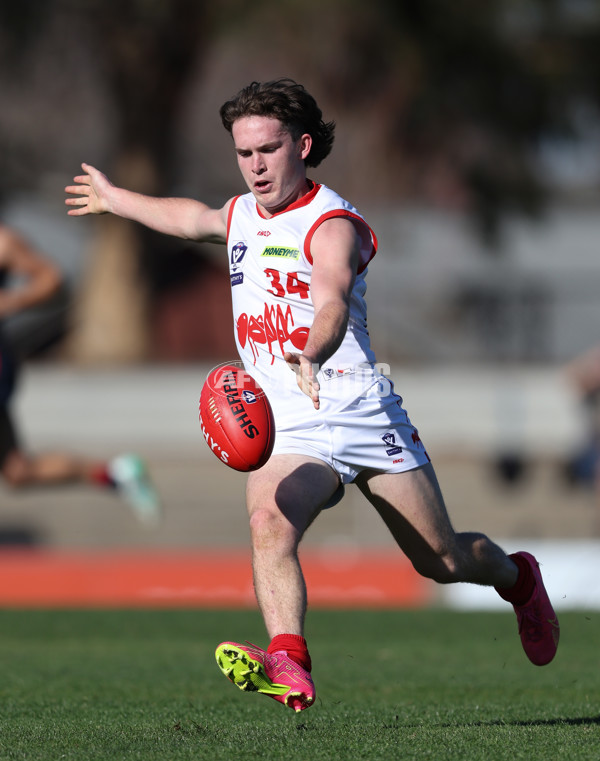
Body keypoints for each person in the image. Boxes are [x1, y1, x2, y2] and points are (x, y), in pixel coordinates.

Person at [65, 78, 559, 712]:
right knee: (269, 523)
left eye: (268, 150)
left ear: (301, 145)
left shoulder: (333, 225)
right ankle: (290, 662)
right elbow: (192, 219)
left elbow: (329, 297)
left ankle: (520, 581)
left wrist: (313, 349)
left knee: (442, 558)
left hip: (358, 408)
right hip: (286, 426)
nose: (256, 166)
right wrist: (116, 199)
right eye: (244, 154)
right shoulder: (243, 214)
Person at [0, 223, 161, 527]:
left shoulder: (4, 242)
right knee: (17, 471)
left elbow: (50, 277)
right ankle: (115, 473)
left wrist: (12, 300)